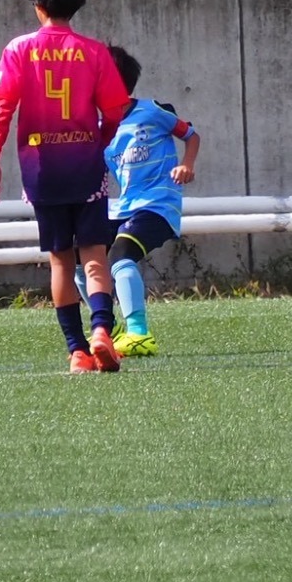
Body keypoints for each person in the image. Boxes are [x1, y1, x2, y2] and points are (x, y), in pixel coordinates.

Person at [0, 0, 131, 373]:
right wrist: (99, 140)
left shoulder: (18, 49)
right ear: (78, 4)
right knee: (95, 256)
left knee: (61, 261)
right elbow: (115, 111)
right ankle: (101, 330)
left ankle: (77, 351)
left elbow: (3, 108)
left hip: (41, 170)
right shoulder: (95, 52)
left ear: (38, 5)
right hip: (85, 166)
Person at [96, 45, 202, 358]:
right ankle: (107, 329)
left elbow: (191, 134)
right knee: (79, 254)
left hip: (158, 205)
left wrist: (187, 165)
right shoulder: (100, 129)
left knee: (121, 254)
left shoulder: (152, 111)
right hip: (124, 207)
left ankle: (139, 334)